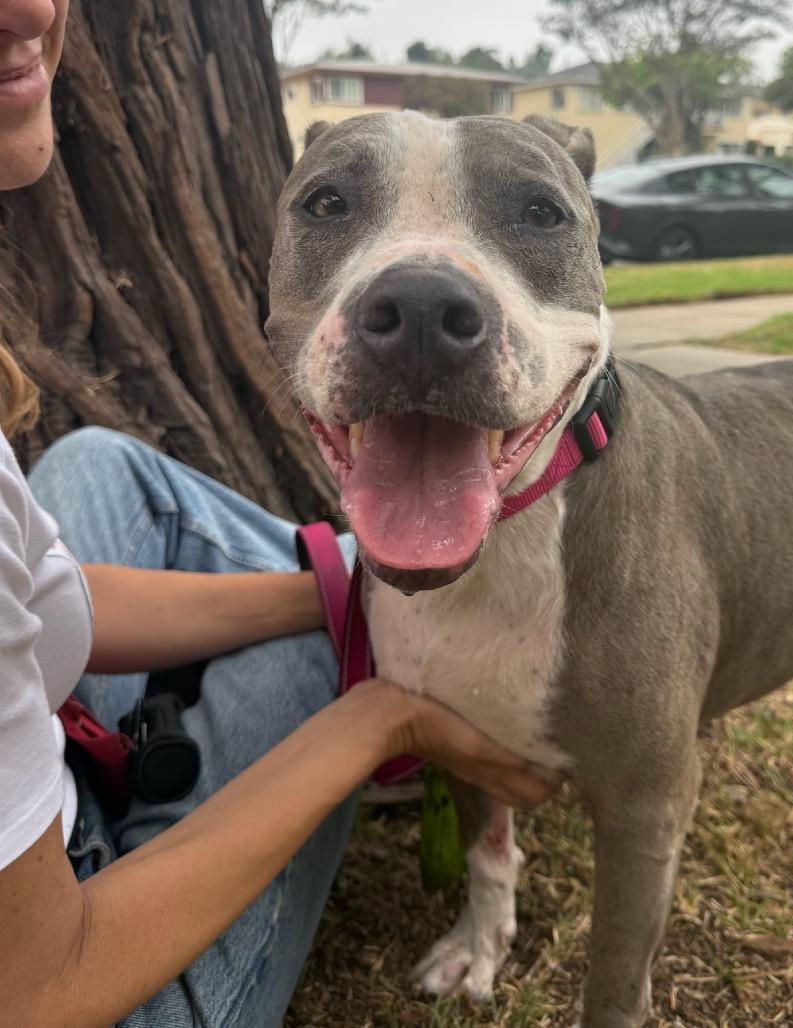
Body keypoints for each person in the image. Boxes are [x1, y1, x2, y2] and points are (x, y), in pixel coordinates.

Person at [0, 3, 553, 1025]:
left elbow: (34, 602)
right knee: (348, 663)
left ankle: (362, 577)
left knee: (101, 469)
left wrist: (337, 584)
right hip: (70, 972)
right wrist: (382, 711)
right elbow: (37, 992)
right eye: (336, 207)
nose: (33, 8)